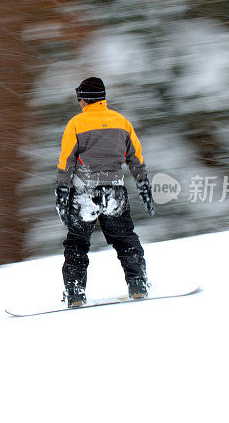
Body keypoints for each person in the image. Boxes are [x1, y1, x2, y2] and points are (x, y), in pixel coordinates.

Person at [55, 77, 155, 308]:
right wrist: (143, 185)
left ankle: (75, 292)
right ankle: (138, 283)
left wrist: (62, 191)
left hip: (84, 192)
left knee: (77, 244)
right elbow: (136, 158)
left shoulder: (76, 124)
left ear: (84, 98)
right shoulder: (121, 121)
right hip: (115, 191)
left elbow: (66, 161)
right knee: (125, 239)